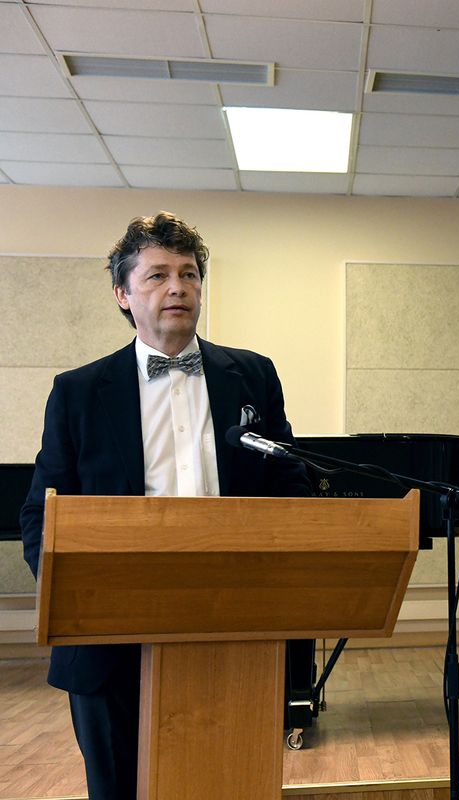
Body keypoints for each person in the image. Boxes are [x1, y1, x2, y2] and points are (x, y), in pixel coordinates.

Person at [19, 212, 310, 800]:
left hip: (235, 630)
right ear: (122, 295)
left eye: (188, 274)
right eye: (156, 275)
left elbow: (291, 490)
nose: (177, 287)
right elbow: (40, 517)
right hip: (110, 638)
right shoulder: (78, 392)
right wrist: (80, 598)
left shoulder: (253, 376)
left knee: (231, 786)